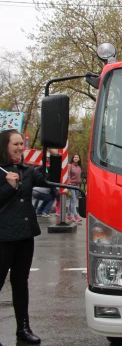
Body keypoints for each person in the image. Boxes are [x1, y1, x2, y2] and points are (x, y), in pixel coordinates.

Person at [0, 129, 45, 344]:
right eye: (15, 144)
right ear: (5, 146)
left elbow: (48, 179)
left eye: (21, 144)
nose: (20, 148)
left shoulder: (28, 171)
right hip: (3, 238)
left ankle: (23, 329)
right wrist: (8, 186)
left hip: (25, 237)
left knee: (20, 283)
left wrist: (54, 156)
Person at [67, 154, 83, 223]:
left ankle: (69, 215)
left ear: (79, 159)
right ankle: (76, 216)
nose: (76, 158)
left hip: (77, 186)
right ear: (72, 158)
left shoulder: (79, 167)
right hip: (71, 185)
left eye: (77, 157)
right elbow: (68, 175)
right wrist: (69, 184)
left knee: (72, 201)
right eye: (74, 157)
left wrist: (80, 181)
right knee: (73, 200)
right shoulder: (70, 166)